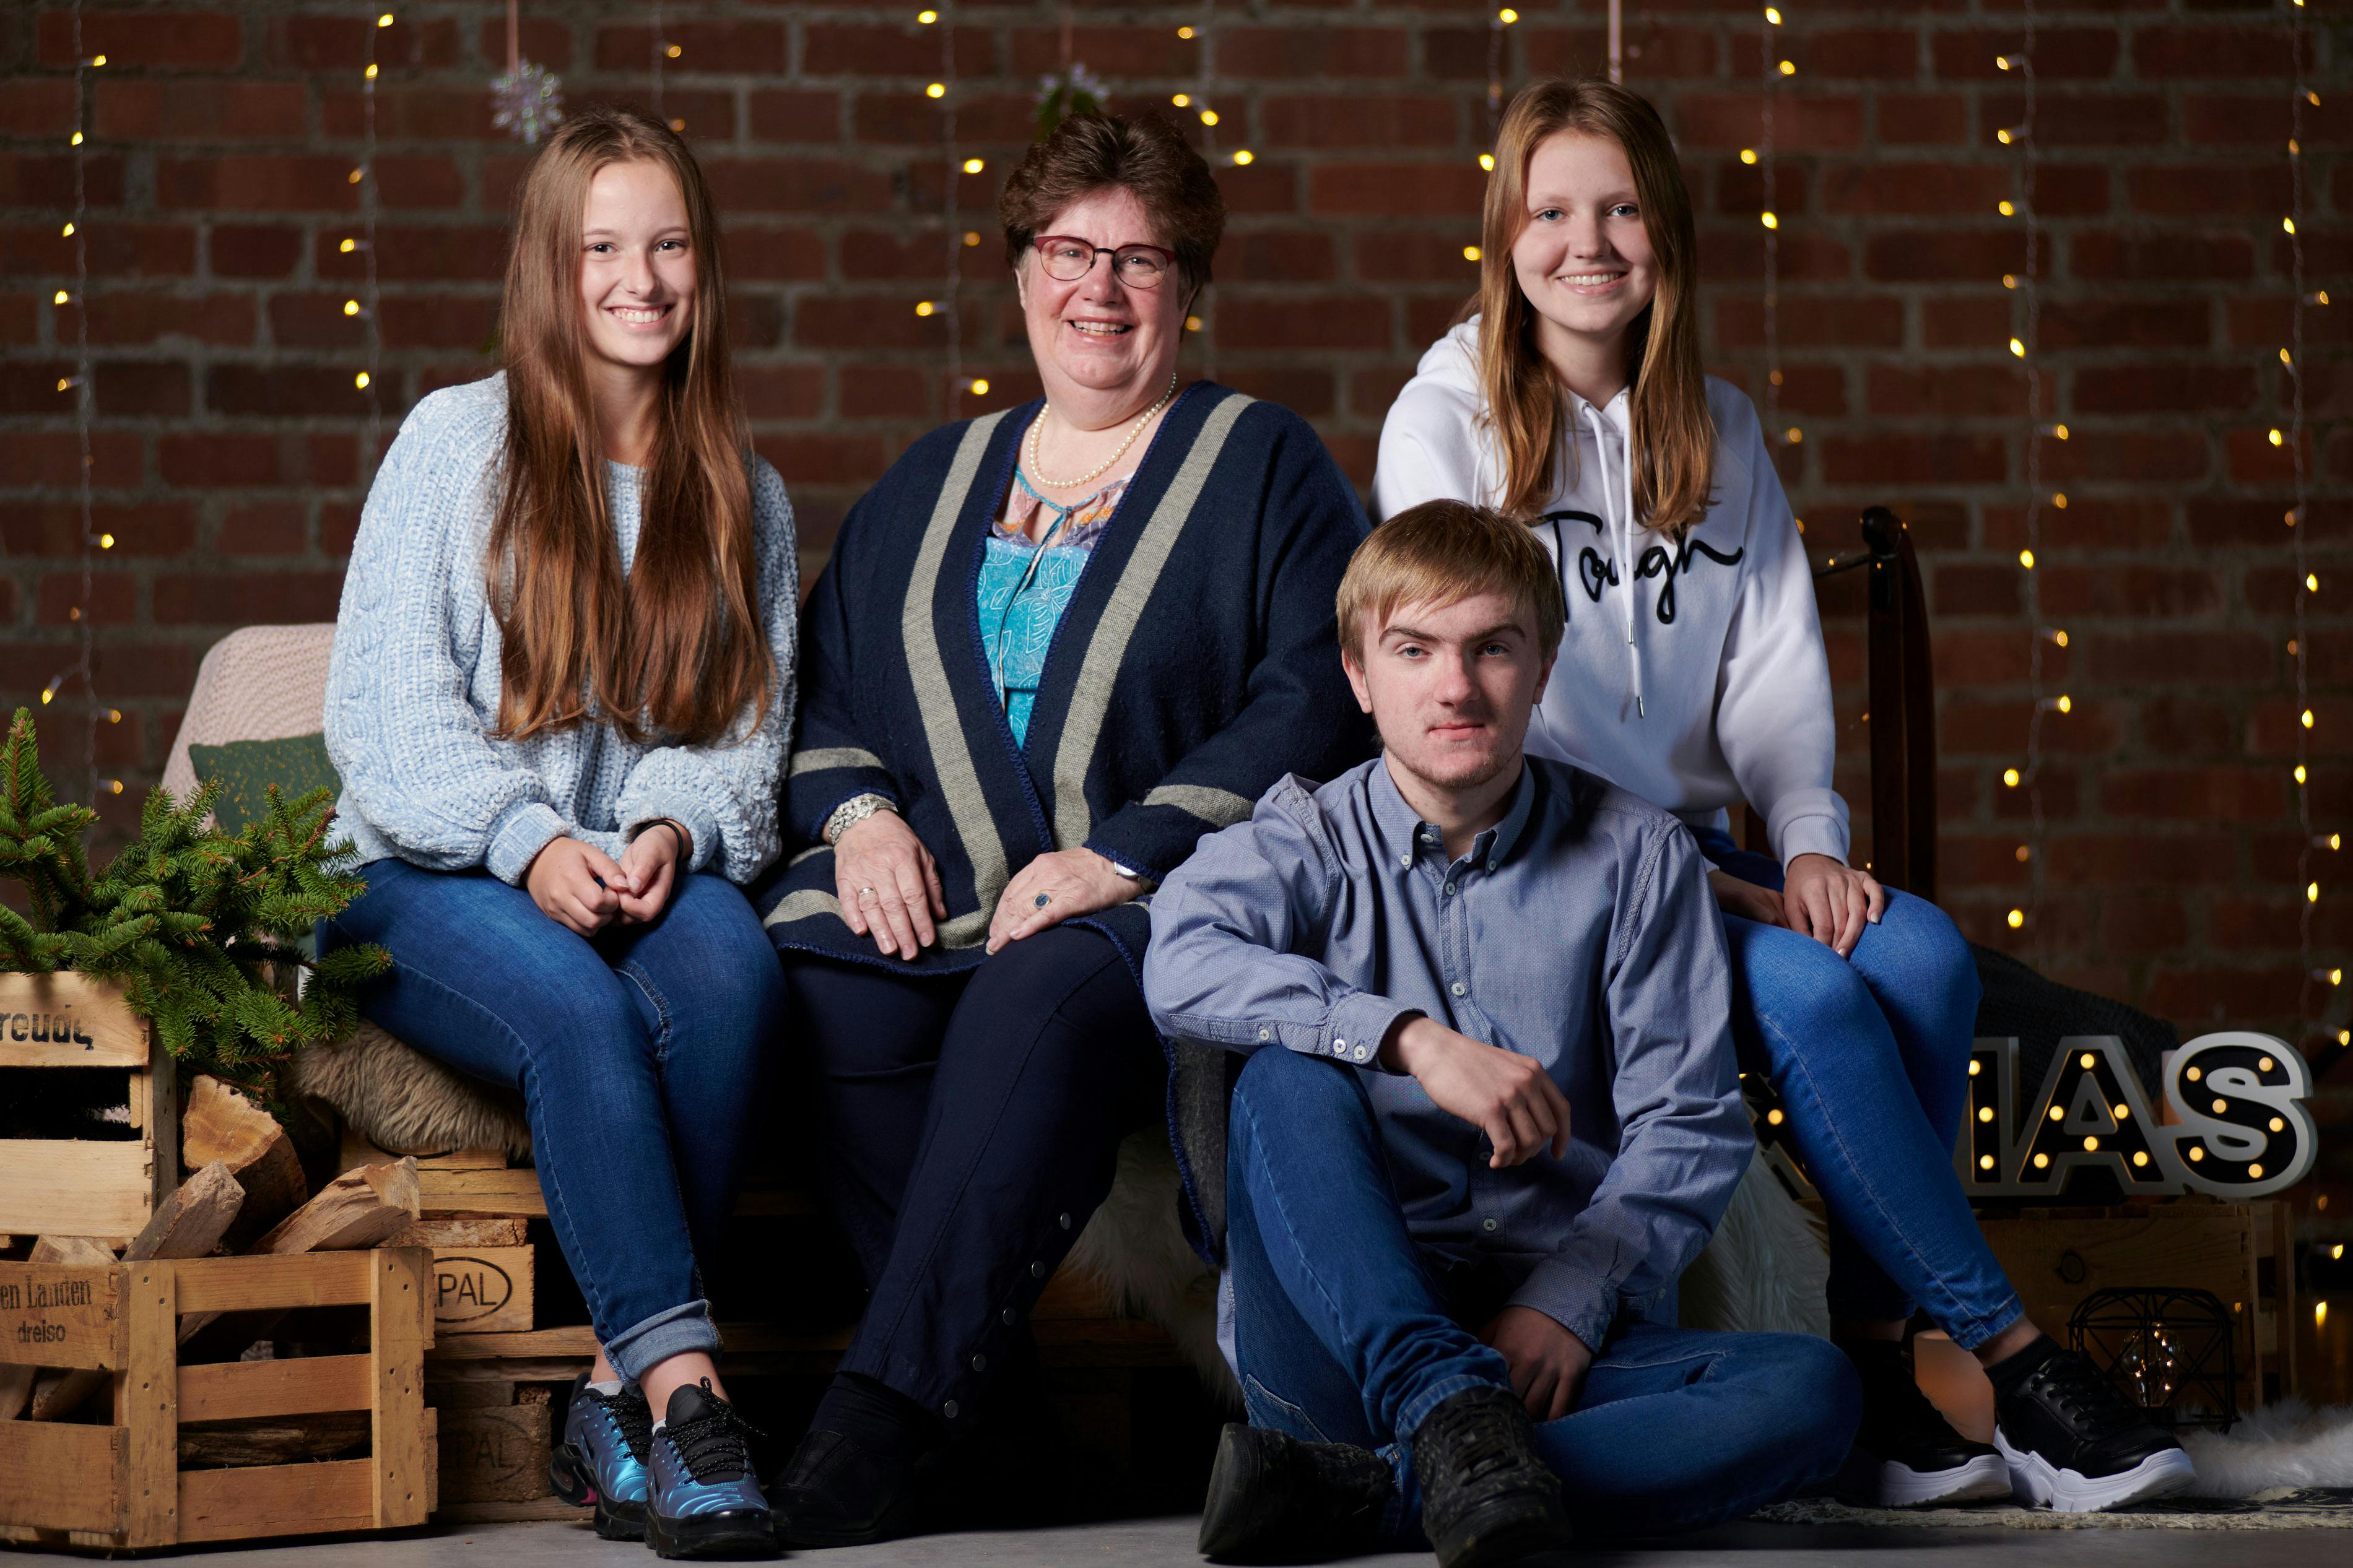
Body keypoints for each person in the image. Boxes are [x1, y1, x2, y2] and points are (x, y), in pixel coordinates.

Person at [1371, 77, 2193, 1514]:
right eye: (1551, 211)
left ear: (1668, 234)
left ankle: (1876, 1380)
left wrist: (1804, 841)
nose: (1587, 243)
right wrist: (1711, 884)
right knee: (1812, 996)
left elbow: (1769, 675)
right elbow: (1470, 713)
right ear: (1503, 234)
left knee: (1919, 956)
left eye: (1621, 209)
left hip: (1706, 846)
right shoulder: (1442, 423)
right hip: (1543, 857)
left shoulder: (1719, 430)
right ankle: (2019, 1370)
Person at [757, 111, 1374, 1547]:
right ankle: (1000, 1435)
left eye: (1140, 259)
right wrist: (859, 819)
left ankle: (879, 1421)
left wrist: (1122, 852)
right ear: (1022, 271)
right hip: (944, 893)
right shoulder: (933, 479)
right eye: (1069, 250)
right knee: (828, 984)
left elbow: (1314, 694)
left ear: (1187, 284)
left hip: (1160, 901)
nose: (1101, 287)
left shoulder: (1263, 463)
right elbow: (824, 685)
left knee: (1039, 983)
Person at [1145, 502, 1859, 1568]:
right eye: (1414, 650)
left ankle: (1370, 1493)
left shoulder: (1640, 856)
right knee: (1287, 1079)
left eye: (1492, 648)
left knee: (1814, 1389)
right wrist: (1409, 1039)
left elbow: (1689, 1122)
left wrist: (1566, 1305)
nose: (1456, 686)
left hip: (1554, 1347)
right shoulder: (1304, 834)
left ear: (1543, 667)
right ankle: (1441, 1408)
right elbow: (1179, 954)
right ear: (1358, 675)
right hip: (1343, 1346)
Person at [319, 107, 793, 1561]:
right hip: (415, 872)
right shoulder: (454, 444)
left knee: (731, 976)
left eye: (669, 245)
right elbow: (388, 717)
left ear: (704, 265)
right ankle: (692, 1397)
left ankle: (603, 1396)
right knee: (583, 1013)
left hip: (625, 866)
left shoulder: (746, 493)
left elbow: (748, 741)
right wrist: (525, 839)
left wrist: (670, 828)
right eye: (602, 248)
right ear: (550, 265)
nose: (639, 281)